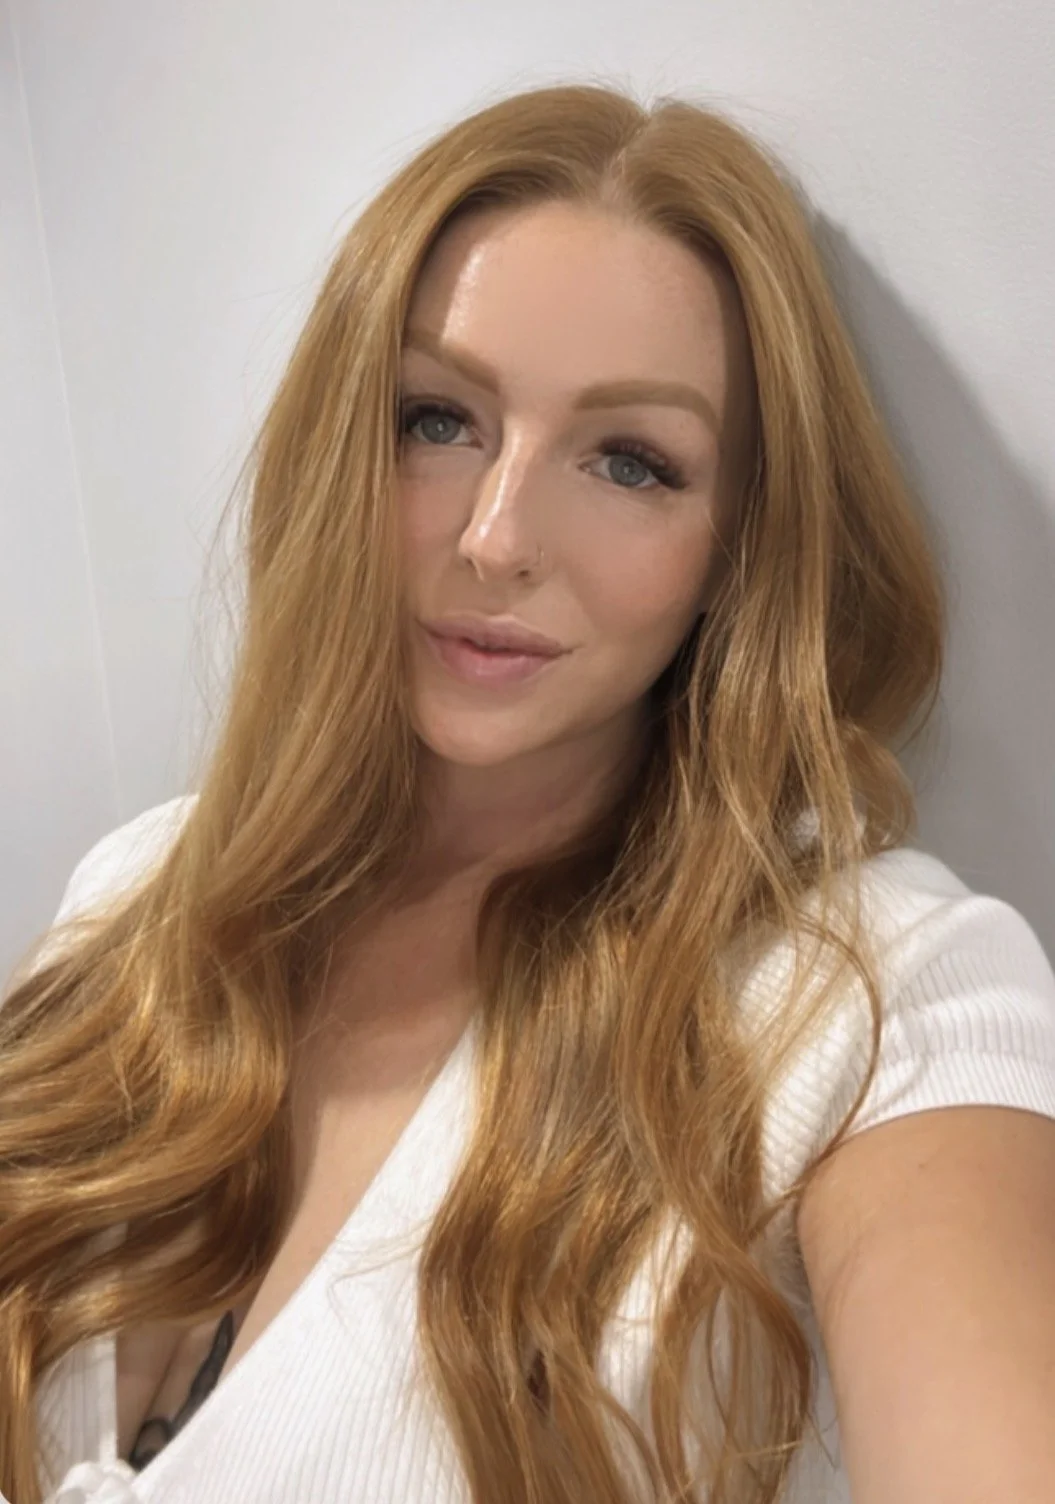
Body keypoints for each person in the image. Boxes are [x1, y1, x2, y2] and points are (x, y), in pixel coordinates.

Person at [2, 80, 1054, 1504]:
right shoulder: (140, 888)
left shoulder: (872, 998)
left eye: (630, 461)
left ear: (734, 551)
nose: (497, 539)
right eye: (437, 420)